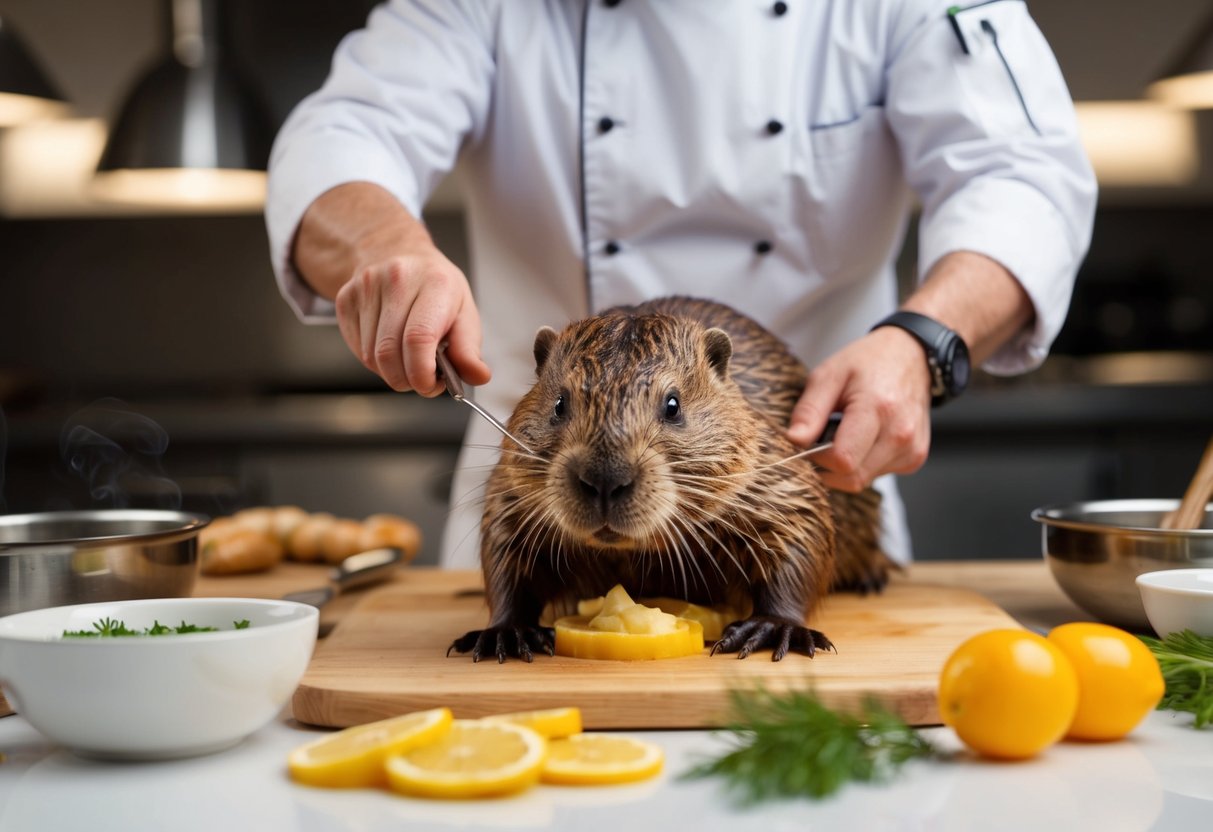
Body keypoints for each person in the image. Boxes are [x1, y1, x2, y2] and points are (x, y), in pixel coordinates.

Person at [265, 0, 1097, 568]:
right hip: (540, 506)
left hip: (801, 508)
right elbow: (344, 133)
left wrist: (923, 340)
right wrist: (384, 249)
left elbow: (1023, 175)